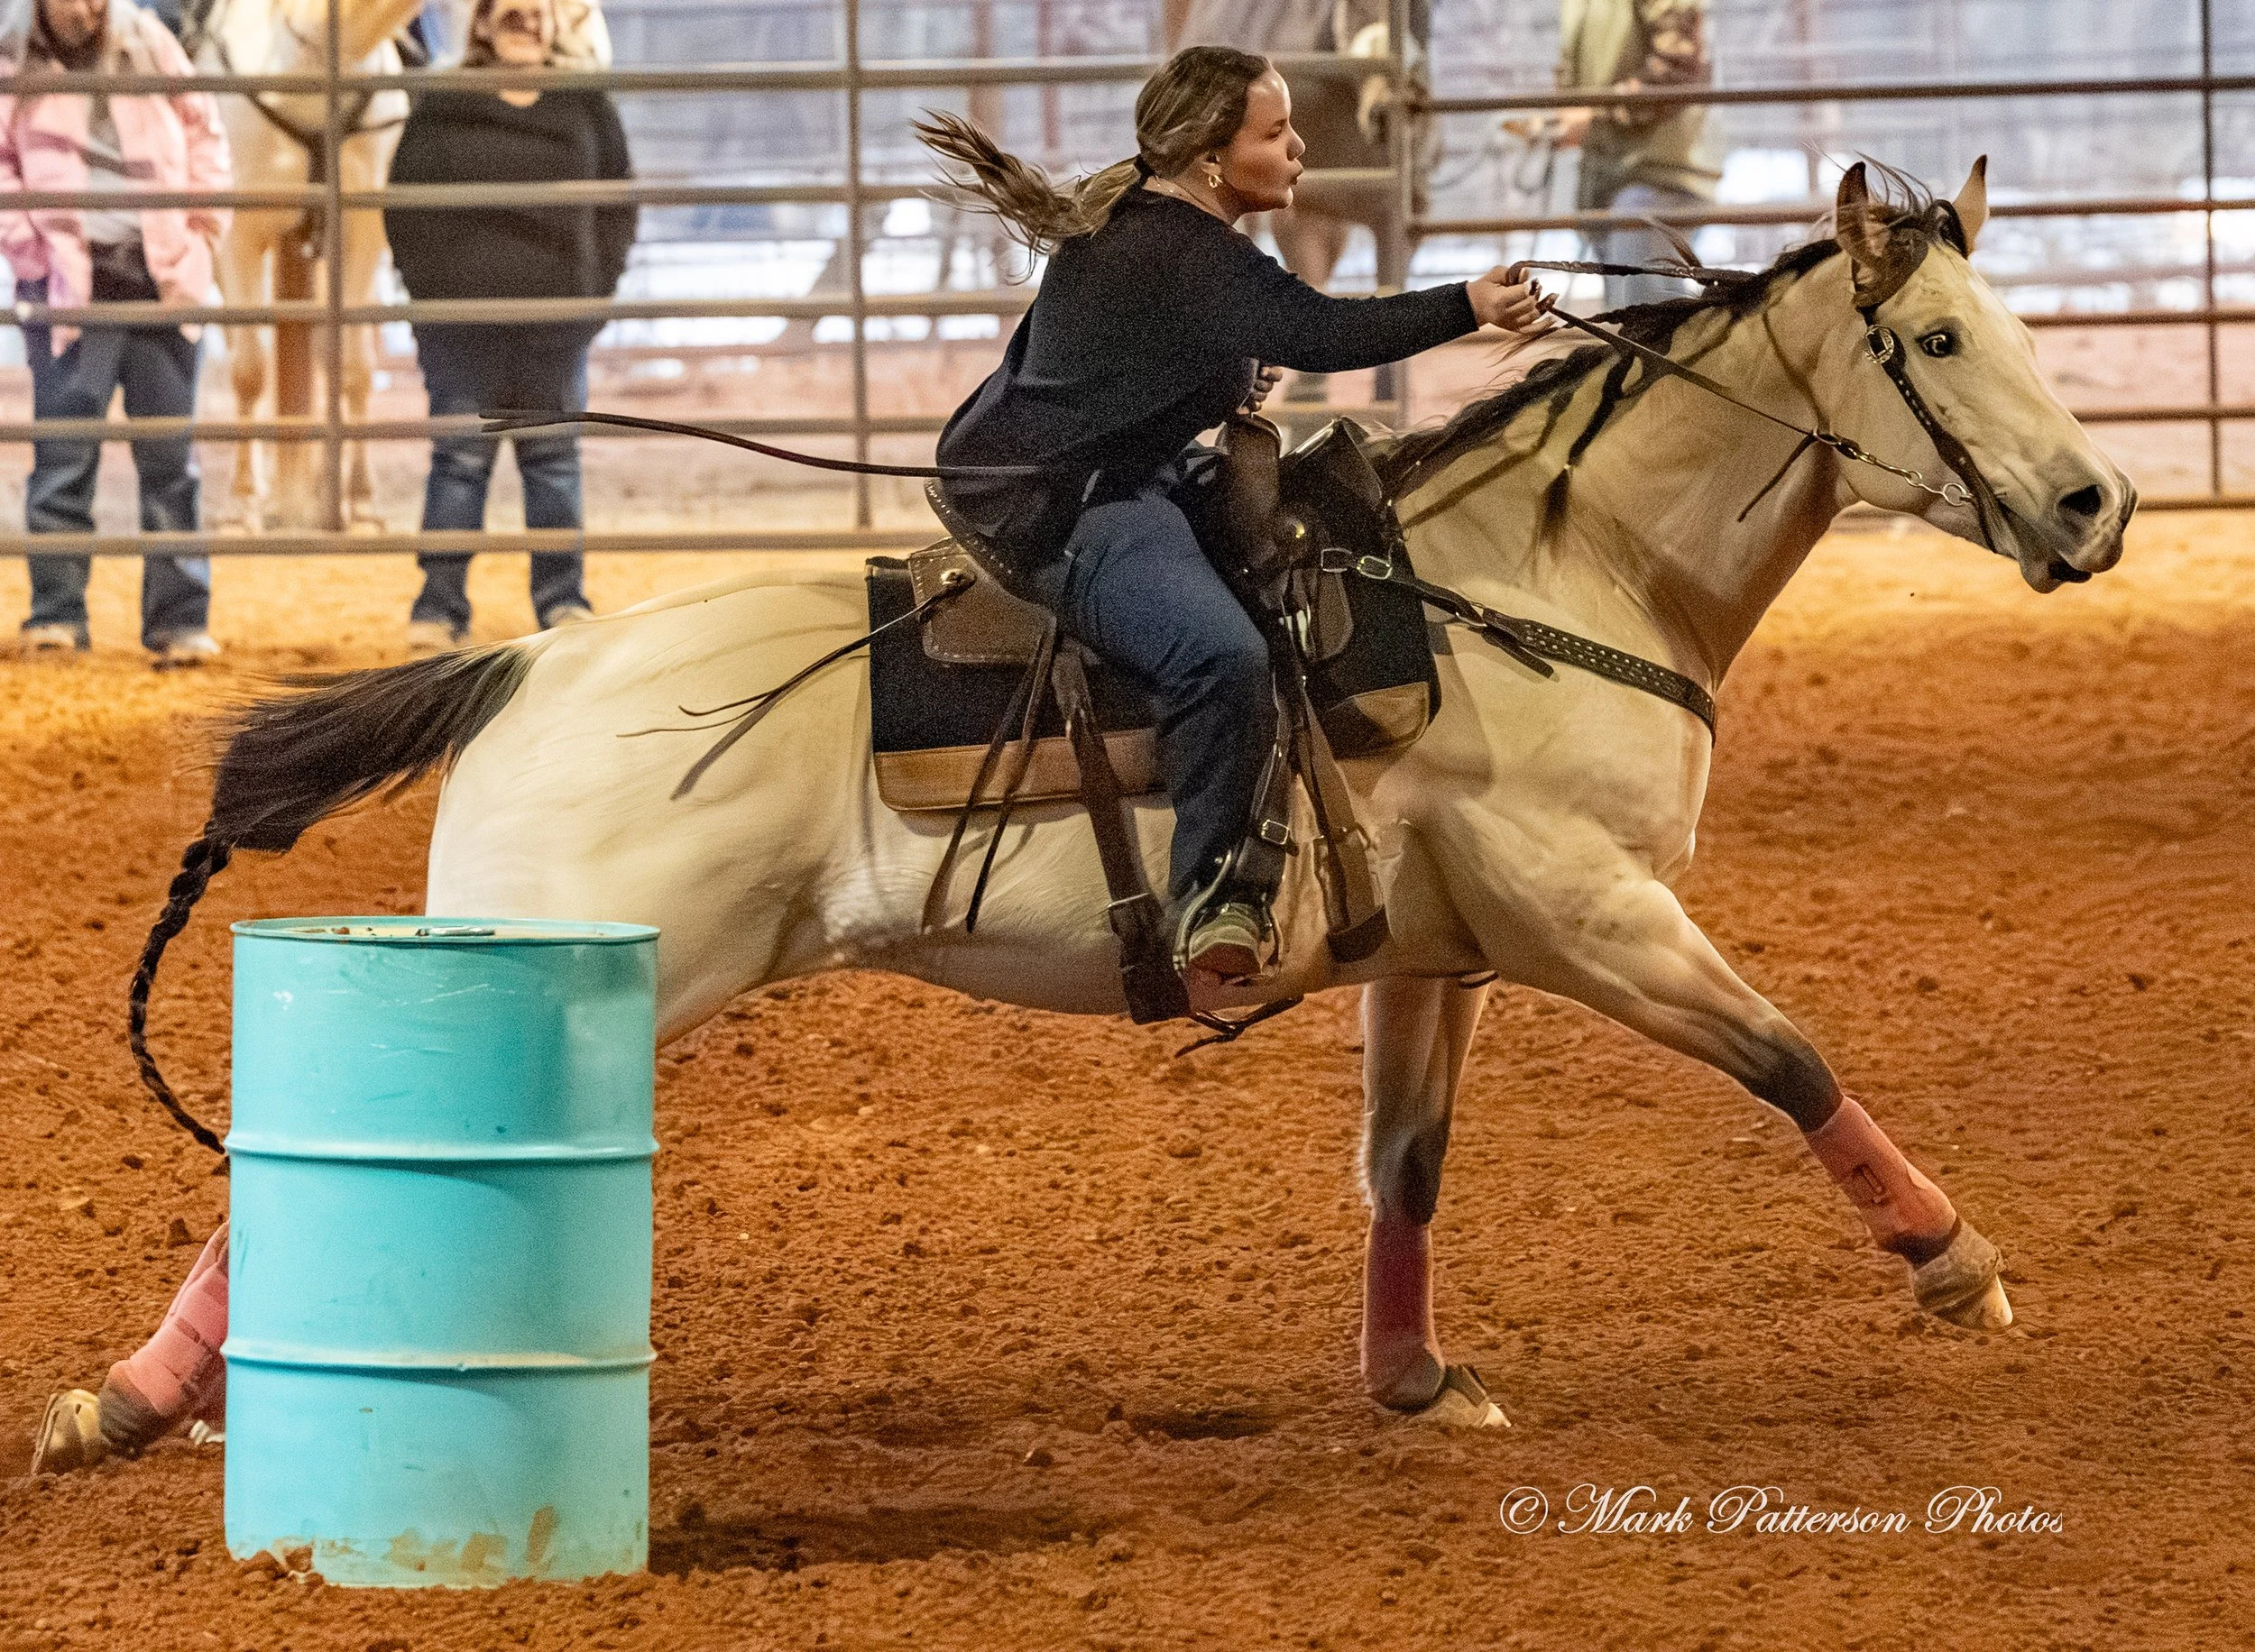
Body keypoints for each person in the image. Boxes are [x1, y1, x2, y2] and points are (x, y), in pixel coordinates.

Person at [919, 47, 1546, 982]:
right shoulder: (1187, 251)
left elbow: (1145, 355)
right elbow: (1326, 333)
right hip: (1058, 505)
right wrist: (1468, 302)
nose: (1298, 150)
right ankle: (1215, 896)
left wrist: (1222, 371)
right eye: (1275, 132)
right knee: (1219, 655)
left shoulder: (1153, 218)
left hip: (1116, 470)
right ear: (1213, 158)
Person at [382, 0, 633, 654]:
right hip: (461, 327)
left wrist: (595, 294)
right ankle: (438, 609)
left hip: (555, 324)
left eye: (537, 8)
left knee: (553, 463)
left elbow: (619, 202)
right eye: (509, 8)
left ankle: (562, 601)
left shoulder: (586, 105)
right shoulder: (442, 103)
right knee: (459, 463)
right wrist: (432, 297)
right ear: (485, 23)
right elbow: (403, 206)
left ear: (555, 23)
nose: (525, 16)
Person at [0, 0, 232, 663]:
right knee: (63, 463)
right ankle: (57, 616)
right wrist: (33, 255)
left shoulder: (150, 40)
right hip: (69, 289)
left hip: (160, 281)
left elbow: (206, 133)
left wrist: (199, 240)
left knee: (170, 465)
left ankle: (180, 622)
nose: (91, 5)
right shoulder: (11, 53)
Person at [1552, 0, 1720, 309]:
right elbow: (1571, 74)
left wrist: (1594, 116)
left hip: (1661, 171)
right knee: (1628, 315)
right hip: (1608, 178)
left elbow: (1678, 68)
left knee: (1646, 315)